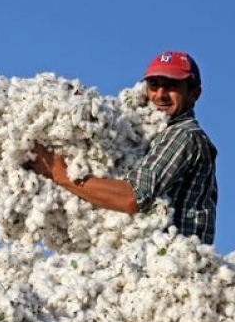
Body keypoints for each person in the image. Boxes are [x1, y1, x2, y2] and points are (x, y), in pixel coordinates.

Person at [28, 51, 218, 244]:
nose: (160, 95)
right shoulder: (148, 136)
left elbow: (133, 197)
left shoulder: (183, 135)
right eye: (154, 86)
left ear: (194, 93)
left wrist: (59, 174)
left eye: (171, 86)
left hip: (173, 264)